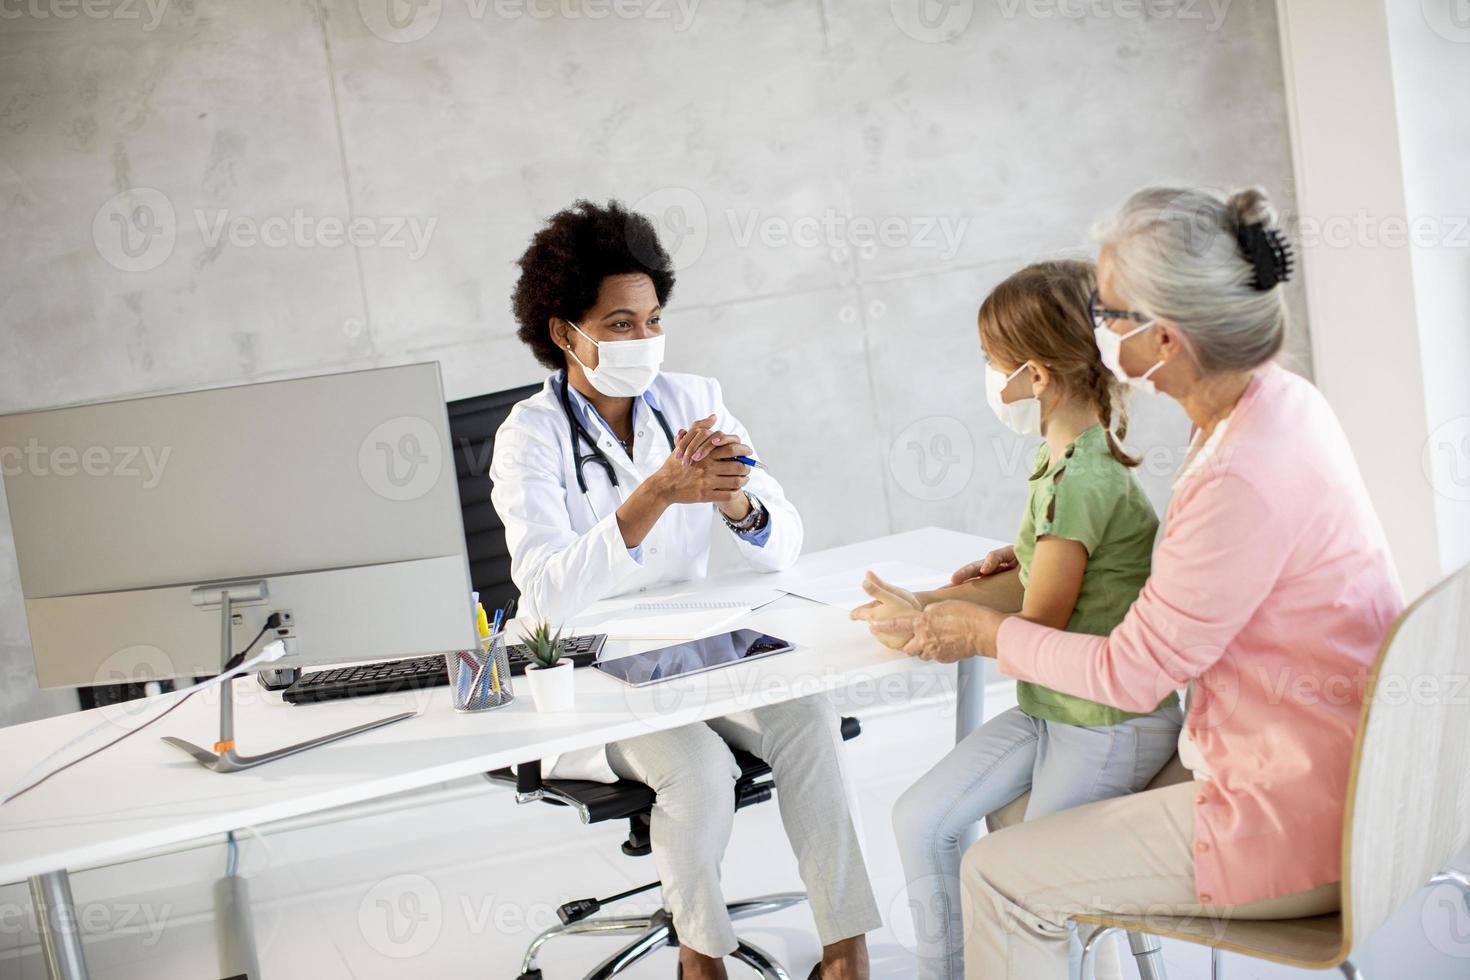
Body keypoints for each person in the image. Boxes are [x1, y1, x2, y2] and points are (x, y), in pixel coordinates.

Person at [856, 186, 1405, 979]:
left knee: (997, 876)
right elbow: (1199, 593)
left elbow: (1132, 670)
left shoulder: (1238, 475)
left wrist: (982, 632)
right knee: (1012, 818)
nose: (1099, 330)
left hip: (1292, 821)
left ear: (1168, 338)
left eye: (1109, 313)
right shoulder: (1281, 406)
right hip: (1337, 777)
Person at [490, 200, 880, 980]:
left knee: (806, 710)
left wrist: (737, 499)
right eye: (621, 324)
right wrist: (656, 494)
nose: (645, 341)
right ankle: (699, 957)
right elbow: (546, 596)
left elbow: (785, 545)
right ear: (566, 333)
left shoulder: (693, 400)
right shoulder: (527, 437)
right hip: (589, 673)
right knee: (698, 771)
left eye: (654, 319)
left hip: (695, 651)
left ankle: (846, 947)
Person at [854, 260, 1181, 980]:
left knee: (1029, 887)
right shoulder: (1060, 463)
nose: (986, 377)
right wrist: (935, 602)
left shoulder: (1083, 482)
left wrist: (942, 615)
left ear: (1034, 377)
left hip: (1106, 723)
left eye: (990, 362)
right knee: (921, 819)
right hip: (1054, 712)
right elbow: (1042, 584)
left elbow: (1036, 630)